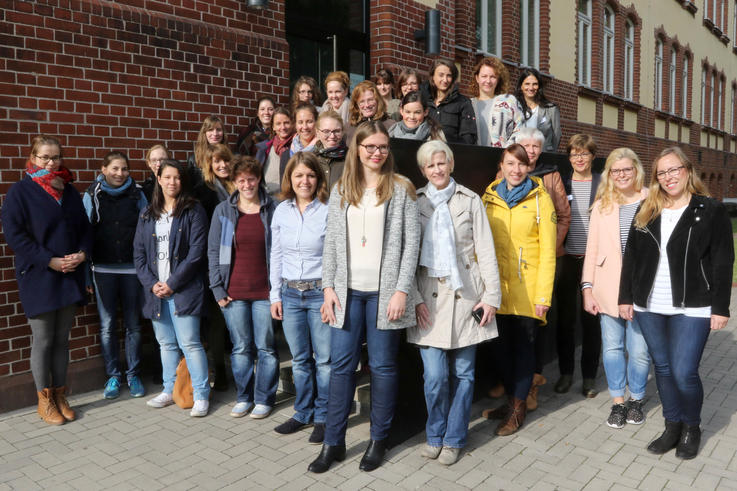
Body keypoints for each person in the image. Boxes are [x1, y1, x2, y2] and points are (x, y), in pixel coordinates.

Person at [308, 121, 420, 474]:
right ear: (357, 149)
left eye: (382, 147)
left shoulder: (401, 188)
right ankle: (334, 442)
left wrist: (402, 289)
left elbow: (411, 245)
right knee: (341, 367)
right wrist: (328, 288)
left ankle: (378, 440)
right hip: (347, 292)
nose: (377, 153)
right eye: (370, 146)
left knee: (384, 368)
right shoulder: (342, 188)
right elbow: (331, 244)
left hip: (385, 294)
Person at [619, 147, 733, 460]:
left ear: (687, 170)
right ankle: (672, 426)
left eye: (674, 170)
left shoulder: (710, 210)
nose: (669, 177)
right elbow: (631, 257)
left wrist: (721, 308)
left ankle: (692, 427)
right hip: (650, 304)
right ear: (656, 178)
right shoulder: (647, 208)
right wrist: (625, 298)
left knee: (684, 371)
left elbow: (723, 261)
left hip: (693, 306)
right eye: (662, 172)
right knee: (664, 369)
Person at [409, 140, 501, 466]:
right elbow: (406, 256)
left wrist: (491, 297)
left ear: (450, 165)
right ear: (423, 170)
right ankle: (434, 434)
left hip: (466, 298)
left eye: (441, 163)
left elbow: (485, 250)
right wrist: (414, 298)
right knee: (434, 377)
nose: (437, 170)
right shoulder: (415, 202)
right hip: (429, 300)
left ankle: (454, 438)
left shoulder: (470, 200)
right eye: (430, 166)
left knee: (464, 374)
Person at [2, 135, 92, 425]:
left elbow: (85, 229)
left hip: (69, 275)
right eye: (44, 157)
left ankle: (60, 394)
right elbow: (15, 236)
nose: (51, 162)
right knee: (42, 340)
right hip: (39, 275)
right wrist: (48, 260)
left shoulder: (69, 191)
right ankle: (44, 401)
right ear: (33, 158)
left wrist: (82, 253)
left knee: (62, 340)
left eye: (55, 157)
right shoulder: (21, 191)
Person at [480, 144, 556, 436]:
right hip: (496, 290)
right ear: (502, 165)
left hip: (527, 289)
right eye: (511, 163)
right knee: (501, 351)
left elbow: (548, 251)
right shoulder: (488, 198)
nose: (516, 170)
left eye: (522, 165)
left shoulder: (540, 200)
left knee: (524, 351)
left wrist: (542, 296)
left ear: (529, 168)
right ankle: (513, 400)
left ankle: (517, 409)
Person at [133, 159, 211, 417]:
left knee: (190, 343)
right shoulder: (147, 214)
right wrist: (151, 284)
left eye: (177, 177)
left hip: (184, 290)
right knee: (166, 343)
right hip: (156, 292)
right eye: (167, 177)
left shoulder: (193, 210)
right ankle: (169, 389)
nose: (172, 182)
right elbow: (139, 255)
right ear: (159, 179)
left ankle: (200, 394)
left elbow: (197, 254)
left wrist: (172, 284)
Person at [582, 148, 650, 429]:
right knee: (612, 348)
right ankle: (618, 402)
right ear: (609, 174)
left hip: (641, 287)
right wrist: (587, 288)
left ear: (636, 171)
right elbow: (592, 248)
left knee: (639, 350)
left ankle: (636, 398)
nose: (621, 175)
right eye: (615, 170)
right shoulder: (602, 204)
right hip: (607, 286)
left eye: (627, 169)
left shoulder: (652, 201)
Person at [504, 127, 571, 410]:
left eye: (534, 147)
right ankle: (514, 385)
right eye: (525, 146)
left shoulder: (549, 176)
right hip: (510, 269)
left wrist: (549, 249)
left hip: (542, 261)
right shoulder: (502, 177)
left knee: (537, 324)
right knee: (511, 331)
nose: (530, 151)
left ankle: (533, 381)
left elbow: (563, 216)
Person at [208, 155, 278, 419]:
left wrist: (277, 291)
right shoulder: (224, 211)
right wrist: (217, 289)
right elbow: (214, 252)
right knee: (240, 348)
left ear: (258, 179)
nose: (247, 184)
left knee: (266, 348)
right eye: (241, 180)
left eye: (251, 179)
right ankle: (244, 396)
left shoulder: (272, 208)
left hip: (264, 292)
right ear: (234, 182)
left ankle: (264, 398)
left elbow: (280, 251)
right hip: (233, 292)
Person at [270, 152, 331, 444]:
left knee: (325, 361)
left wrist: (331, 293)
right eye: (298, 176)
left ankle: (324, 416)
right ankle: (302, 412)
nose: (304, 181)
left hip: (320, 293)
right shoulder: (281, 211)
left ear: (317, 178)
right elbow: (276, 255)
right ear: (290, 180)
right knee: (300, 360)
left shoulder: (329, 209)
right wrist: (274, 295)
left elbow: (335, 255)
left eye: (309, 175)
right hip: (290, 293)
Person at [83, 151, 148, 400]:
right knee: (108, 325)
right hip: (102, 270)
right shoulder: (92, 194)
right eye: (115, 169)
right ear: (104, 169)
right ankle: (112, 376)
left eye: (124, 169)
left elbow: (146, 231)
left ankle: (133, 375)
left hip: (132, 270)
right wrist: (86, 276)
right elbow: (84, 233)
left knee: (133, 324)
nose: (120, 174)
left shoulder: (137, 194)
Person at [555, 134, 602, 397]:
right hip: (567, 259)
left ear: (593, 156)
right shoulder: (562, 183)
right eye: (574, 154)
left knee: (591, 321)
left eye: (584, 153)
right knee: (565, 320)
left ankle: (589, 377)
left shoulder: (603, 183)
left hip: (593, 263)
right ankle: (565, 373)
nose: (579, 158)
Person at [192, 143, 236, 391]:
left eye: (225, 161)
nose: (222, 165)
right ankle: (220, 372)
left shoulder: (239, 185)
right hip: (214, 262)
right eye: (216, 162)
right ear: (209, 165)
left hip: (240, 260)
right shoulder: (203, 191)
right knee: (217, 322)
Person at [421, 59, 477, 145]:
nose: (445, 80)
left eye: (449, 76)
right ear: (432, 77)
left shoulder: (463, 102)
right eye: (441, 75)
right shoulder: (422, 100)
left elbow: (468, 138)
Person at [470, 57, 523, 148]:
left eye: (493, 77)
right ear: (477, 78)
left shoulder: (509, 102)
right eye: (484, 76)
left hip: (502, 158)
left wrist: (507, 150)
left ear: (498, 80)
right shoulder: (468, 104)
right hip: (474, 158)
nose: (488, 81)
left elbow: (520, 129)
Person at [515, 68, 561, 152]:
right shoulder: (514, 107)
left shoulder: (551, 109)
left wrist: (549, 152)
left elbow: (557, 136)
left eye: (535, 84)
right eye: (527, 84)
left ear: (539, 86)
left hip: (544, 157)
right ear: (521, 86)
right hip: (520, 156)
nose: (531, 88)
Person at [255, 107, 295, 196]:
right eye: (278, 124)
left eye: (286, 123)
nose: (283, 127)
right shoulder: (265, 149)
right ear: (273, 127)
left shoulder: (297, 147)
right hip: (270, 200)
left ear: (292, 124)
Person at [313, 109, 348, 191]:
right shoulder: (311, 159)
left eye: (337, 131)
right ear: (317, 133)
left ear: (342, 131)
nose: (332, 136)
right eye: (326, 131)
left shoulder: (351, 158)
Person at [188, 115, 227, 188]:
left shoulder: (232, 156)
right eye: (210, 130)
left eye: (218, 129)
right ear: (204, 133)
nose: (215, 133)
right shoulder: (194, 160)